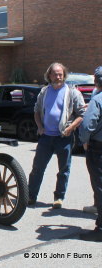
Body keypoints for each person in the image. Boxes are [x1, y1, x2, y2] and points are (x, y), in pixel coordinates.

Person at [28, 62, 85, 208]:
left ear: (64, 75)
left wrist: (71, 128)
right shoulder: (44, 92)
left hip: (64, 137)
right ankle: (30, 196)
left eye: (60, 74)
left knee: (63, 170)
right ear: (49, 75)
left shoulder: (73, 92)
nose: (58, 76)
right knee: (37, 169)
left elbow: (81, 115)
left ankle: (59, 198)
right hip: (46, 137)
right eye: (55, 74)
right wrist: (40, 127)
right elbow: (36, 111)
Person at [78, 66, 102, 242]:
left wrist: (84, 140)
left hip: (98, 148)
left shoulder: (97, 100)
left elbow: (87, 126)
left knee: (100, 186)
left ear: (96, 81)